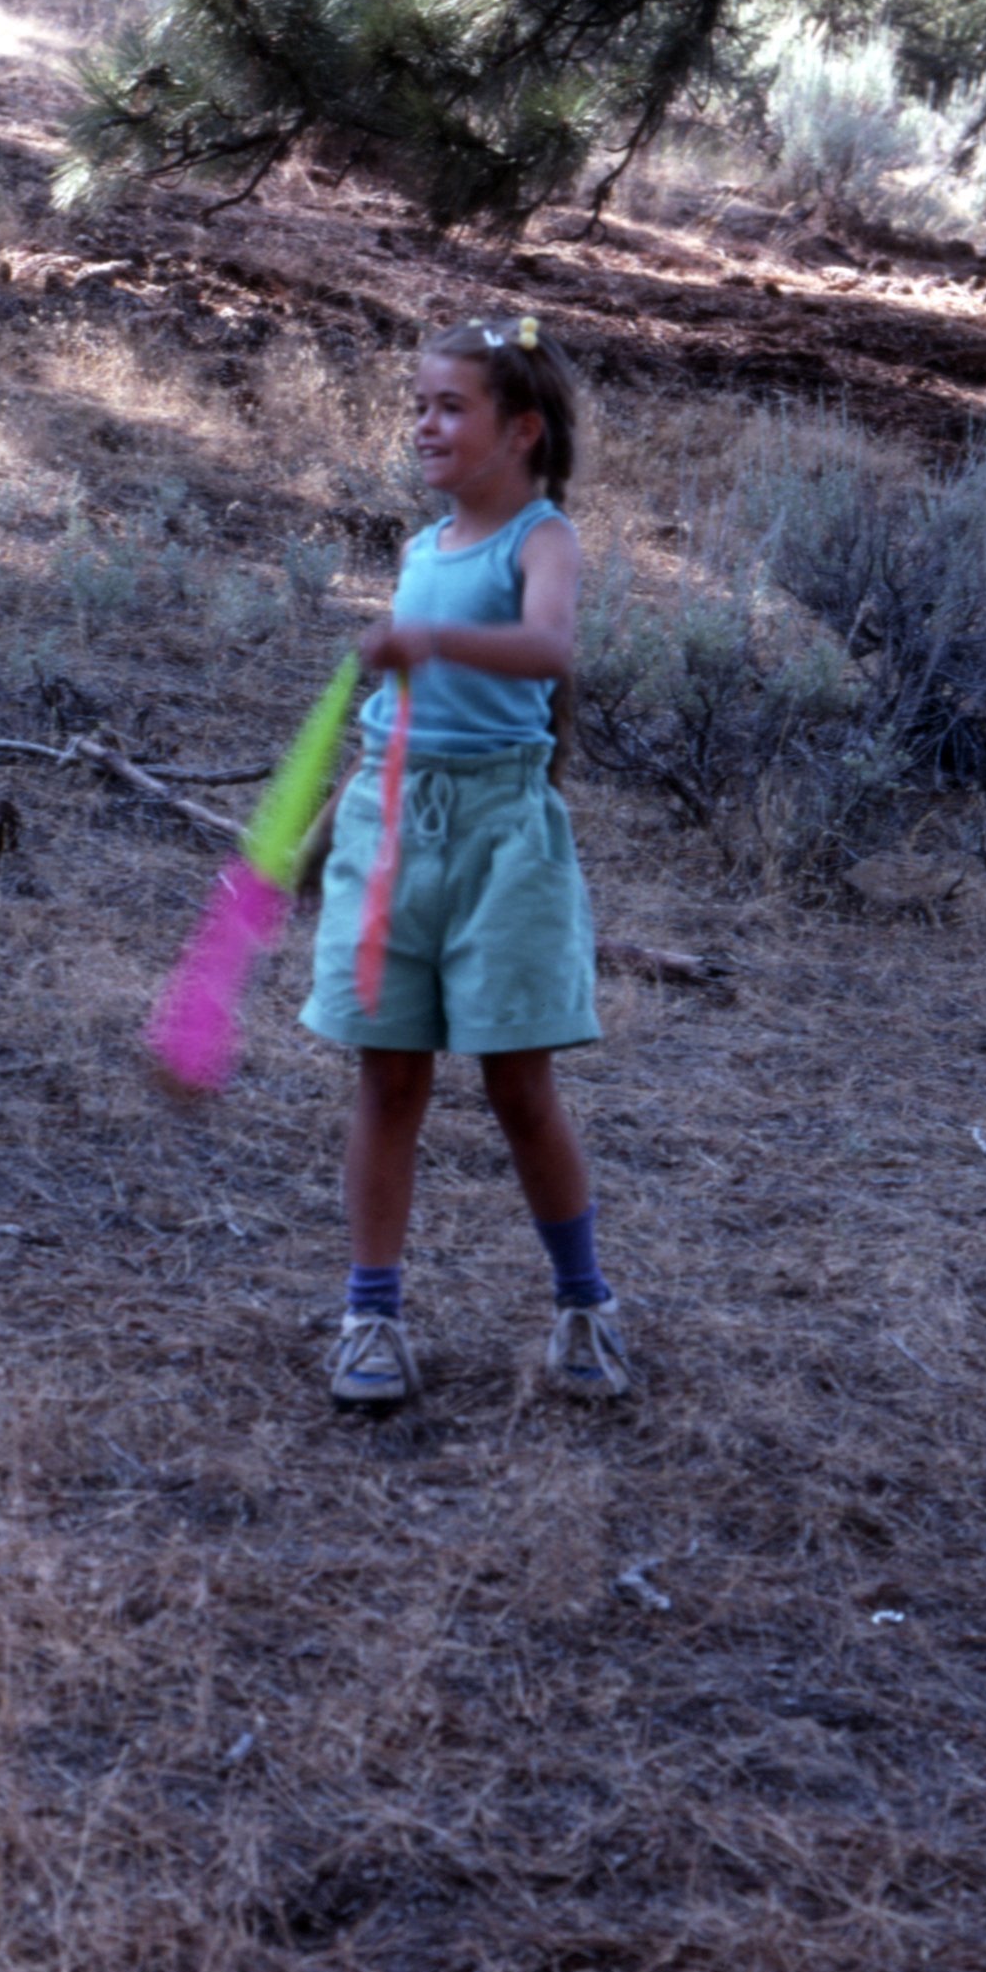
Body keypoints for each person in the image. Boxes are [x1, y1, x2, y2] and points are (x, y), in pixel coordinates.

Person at [301, 313, 625, 1412]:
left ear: (521, 430)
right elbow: (389, 726)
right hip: (392, 829)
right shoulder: (418, 550)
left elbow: (548, 646)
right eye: (419, 406)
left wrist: (428, 640)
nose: (425, 426)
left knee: (517, 1083)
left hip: (502, 839)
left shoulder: (542, 538)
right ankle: (371, 1315)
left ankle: (583, 1302)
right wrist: (321, 841)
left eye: (451, 407)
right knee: (388, 1077)